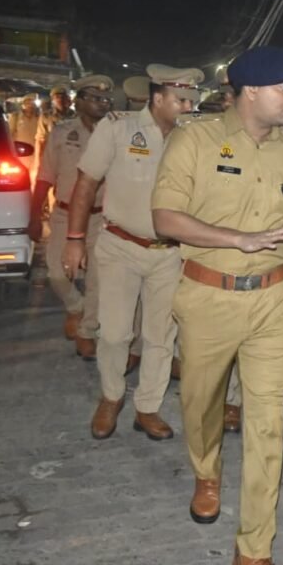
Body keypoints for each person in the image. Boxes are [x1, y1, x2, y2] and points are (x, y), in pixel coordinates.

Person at [151, 46, 283, 565]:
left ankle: (254, 550)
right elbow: (165, 219)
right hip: (208, 297)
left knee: (268, 423)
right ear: (250, 91)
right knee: (201, 405)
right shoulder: (194, 140)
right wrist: (239, 239)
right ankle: (207, 470)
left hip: (273, 299)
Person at [63, 64, 204, 441]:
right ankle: (111, 397)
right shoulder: (118, 128)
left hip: (170, 254)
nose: (188, 106)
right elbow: (86, 182)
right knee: (114, 334)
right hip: (120, 247)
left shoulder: (194, 136)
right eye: (181, 99)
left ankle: (148, 408)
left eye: (191, 99)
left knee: (161, 336)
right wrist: (75, 238)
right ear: (157, 98)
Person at [29, 75, 112, 358]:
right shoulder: (62, 132)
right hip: (64, 215)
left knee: (98, 279)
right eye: (96, 98)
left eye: (106, 99)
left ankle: (87, 330)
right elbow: (45, 175)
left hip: (101, 218)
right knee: (56, 272)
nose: (103, 103)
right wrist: (34, 214)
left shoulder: (115, 133)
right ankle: (76, 307)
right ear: (80, 101)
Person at [8, 93, 40, 176]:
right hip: (21, 154)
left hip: (36, 155)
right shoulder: (16, 117)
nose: (30, 105)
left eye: (32, 102)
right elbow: (10, 134)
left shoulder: (40, 117)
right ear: (23, 104)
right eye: (27, 102)